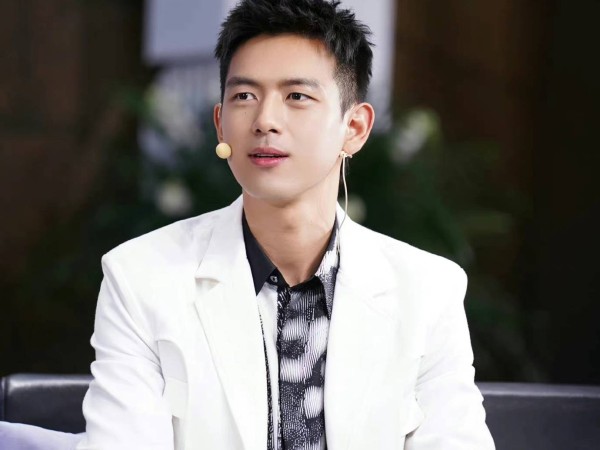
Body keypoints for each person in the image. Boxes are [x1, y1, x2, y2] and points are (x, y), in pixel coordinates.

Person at [77, 0, 495, 449]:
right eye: (244, 96)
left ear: (354, 127)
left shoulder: (427, 291)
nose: (265, 121)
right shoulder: (141, 277)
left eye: (297, 96)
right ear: (220, 125)